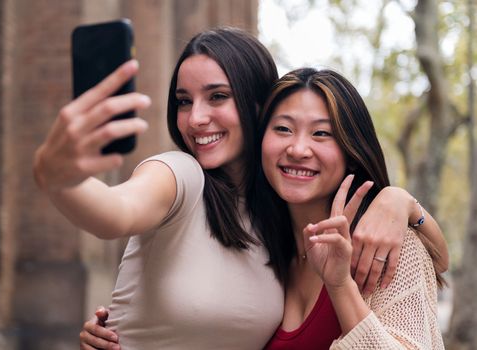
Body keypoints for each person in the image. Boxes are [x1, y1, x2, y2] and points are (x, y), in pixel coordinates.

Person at [33, 28, 447, 350]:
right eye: (182, 100)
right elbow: (114, 212)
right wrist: (61, 176)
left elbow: (437, 262)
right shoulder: (187, 180)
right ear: (268, 129)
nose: (195, 119)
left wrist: (400, 204)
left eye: (217, 96)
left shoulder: (342, 237)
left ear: (255, 107)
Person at [258, 68, 445, 349]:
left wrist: (340, 285)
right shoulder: (258, 243)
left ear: (352, 154)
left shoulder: (387, 245)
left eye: (321, 133)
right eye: (283, 129)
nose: (297, 149)